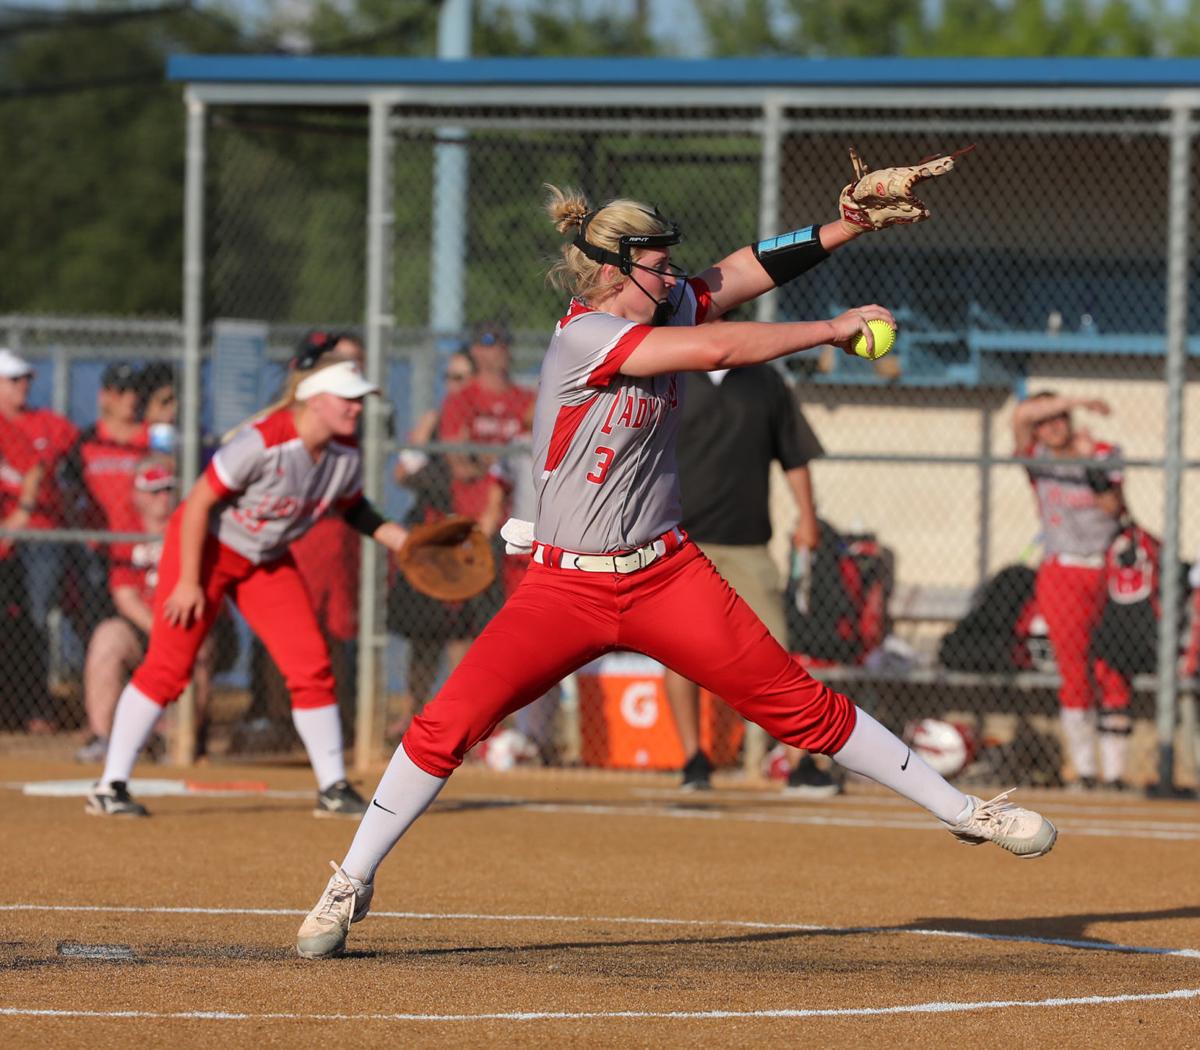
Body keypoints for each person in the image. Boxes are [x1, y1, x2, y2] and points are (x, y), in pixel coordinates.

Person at [296, 182, 1058, 959]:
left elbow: (741, 272)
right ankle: (351, 880)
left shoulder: (664, 304)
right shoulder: (584, 337)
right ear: (612, 270)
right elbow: (719, 348)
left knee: (802, 708)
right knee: (446, 723)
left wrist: (847, 226)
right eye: (658, 266)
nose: (675, 279)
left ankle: (965, 811)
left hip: (665, 573)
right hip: (566, 585)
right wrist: (831, 329)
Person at [86, 355, 410, 818]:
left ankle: (333, 787)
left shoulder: (343, 455)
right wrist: (189, 582)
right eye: (348, 399)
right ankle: (109, 785)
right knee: (169, 667)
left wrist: (406, 542)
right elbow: (197, 504)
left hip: (265, 559)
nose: (357, 409)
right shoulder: (264, 440)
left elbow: (356, 510)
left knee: (311, 663)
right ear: (315, 401)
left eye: (359, 401)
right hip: (207, 548)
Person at [661, 311, 836, 795]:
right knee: (680, 656)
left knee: (776, 651)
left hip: (746, 542)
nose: (720, 322)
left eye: (728, 314)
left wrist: (807, 517)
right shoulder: (671, 371)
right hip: (679, 541)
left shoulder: (764, 379)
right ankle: (693, 759)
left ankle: (797, 761)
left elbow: (794, 455)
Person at [238, 330, 367, 752]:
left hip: (337, 528)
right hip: (293, 533)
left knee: (336, 633)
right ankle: (279, 720)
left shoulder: (353, 414)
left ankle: (341, 729)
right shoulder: (284, 423)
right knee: (289, 632)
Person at [1012, 392, 1128, 790]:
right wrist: (1078, 399)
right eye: (1049, 419)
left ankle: (1114, 774)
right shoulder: (1038, 459)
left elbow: (1113, 508)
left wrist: (1088, 463)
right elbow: (1022, 414)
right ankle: (1086, 771)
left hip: (1107, 569)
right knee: (1074, 671)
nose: (1054, 425)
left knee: (1112, 669)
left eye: (1062, 418)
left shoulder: (1103, 452)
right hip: (1063, 573)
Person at [75, 456, 213, 764]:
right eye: (153, 491)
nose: (162, 498)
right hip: (143, 624)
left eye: (167, 489)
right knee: (107, 640)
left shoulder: (189, 524)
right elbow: (124, 596)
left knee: (200, 651)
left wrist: (172, 633)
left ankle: (178, 740)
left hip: (185, 622)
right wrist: (158, 630)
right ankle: (102, 737)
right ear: (136, 495)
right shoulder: (126, 527)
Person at [385, 348, 477, 742]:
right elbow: (402, 474)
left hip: (468, 536)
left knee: (462, 637)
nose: (454, 387)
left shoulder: (482, 425)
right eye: (450, 378)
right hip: (430, 531)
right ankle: (413, 715)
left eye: (462, 379)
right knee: (423, 635)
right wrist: (421, 442)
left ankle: (462, 723)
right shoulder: (434, 421)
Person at [436, 321, 536, 666]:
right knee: (466, 624)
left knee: (512, 622)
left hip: (521, 527)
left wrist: (487, 457)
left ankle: (505, 716)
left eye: (503, 341)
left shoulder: (528, 399)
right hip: (475, 522)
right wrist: (498, 460)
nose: (498, 349)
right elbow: (460, 466)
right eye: (489, 342)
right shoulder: (462, 400)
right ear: (475, 350)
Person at [0, 348, 80, 631]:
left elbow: (73, 459)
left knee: (37, 614)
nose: (24, 385)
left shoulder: (47, 423)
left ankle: (40, 670)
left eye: (26, 379)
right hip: (5, 535)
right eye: (14, 379)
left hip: (42, 530)